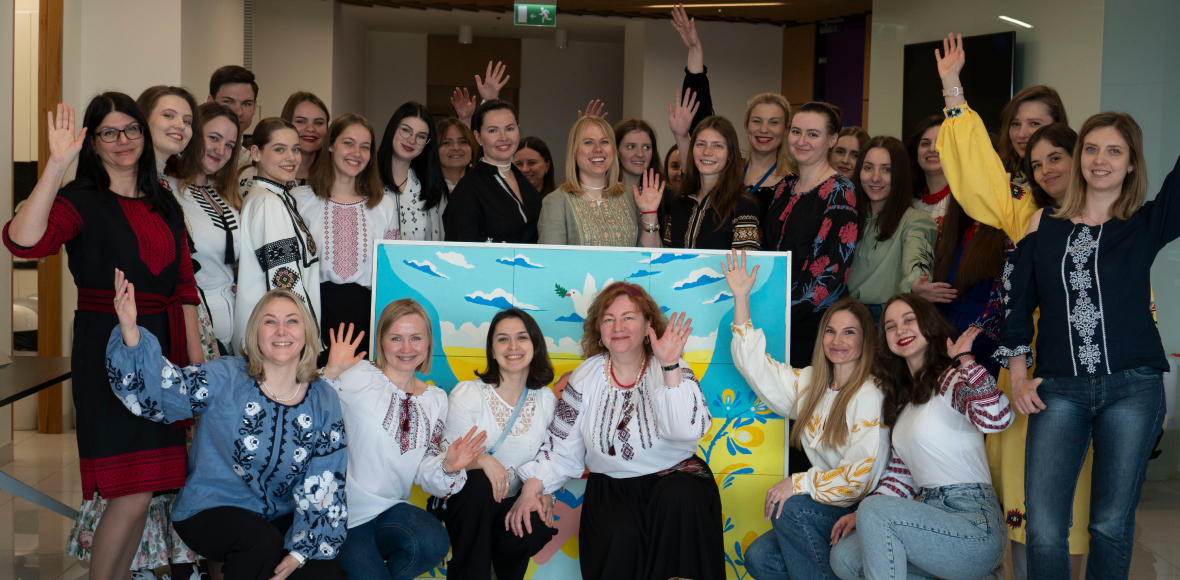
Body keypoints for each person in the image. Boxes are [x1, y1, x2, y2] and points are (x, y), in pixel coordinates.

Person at [3, 97, 199, 580]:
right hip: (108, 351)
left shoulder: (164, 202)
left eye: (131, 129)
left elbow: (184, 286)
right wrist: (56, 165)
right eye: (109, 132)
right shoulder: (81, 199)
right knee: (129, 490)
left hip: (163, 352)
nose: (123, 140)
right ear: (92, 142)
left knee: (145, 490)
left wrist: (194, 368)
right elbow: (23, 240)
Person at [932, 34, 1089, 576]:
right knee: (1017, 489)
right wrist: (953, 87)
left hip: (1092, 365)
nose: (1024, 134)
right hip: (1022, 359)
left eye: (1037, 125)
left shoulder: (1105, 207)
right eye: (1017, 125)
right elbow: (976, 171)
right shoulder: (1019, 202)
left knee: (1079, 497)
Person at [1000, 110, 1180, 579]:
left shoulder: (1145, 223)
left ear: (1131, 163)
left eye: (1114, 151)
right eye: (1093, 149)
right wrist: (1018, 376)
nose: (1101, 160)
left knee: (1110, 526)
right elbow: (1016, 305)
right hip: (1058, 389)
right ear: (1081, 157)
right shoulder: (1043, 223)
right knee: (1043, 528)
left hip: (1133, 388)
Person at [107, 284, 348, 580]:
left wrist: (299, 554)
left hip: (279, 515)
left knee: (321, 569)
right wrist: (131, 332)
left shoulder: (323, 398)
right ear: (255, 333)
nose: (281, 331)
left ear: (306, 333)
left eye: (292, 321)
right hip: (210, 507)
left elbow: (326, 480)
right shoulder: (227, 376)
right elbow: (168, 388)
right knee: (261, 544)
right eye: (270, 321)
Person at [511, 282, 723, 580]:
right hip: (613, 490)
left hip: (676, 479)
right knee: (617, 532)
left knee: (678, 499)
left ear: (648, 326)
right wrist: (530, 490)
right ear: (599, 330)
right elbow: (562, 450)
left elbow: (685, 431)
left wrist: (669, 364)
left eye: (628, 317)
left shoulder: (671, 365)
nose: (618, 327)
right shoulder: (585, 376)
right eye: (608, 319)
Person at [723, 250, 889, 580]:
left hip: (860, 510)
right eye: (831, 331)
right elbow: (757, 369)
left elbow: (858, 481)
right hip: (824, 504)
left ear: (865, 339)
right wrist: (741, 298)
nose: (837, 340)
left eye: (849, 332)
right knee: (760, 558)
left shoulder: (871, 393)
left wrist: (798, 482)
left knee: (792, 509)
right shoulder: (812, 383)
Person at [829, 293, 1013, 580]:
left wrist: (965, 360)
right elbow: (902, 478)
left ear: (928, 324)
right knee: (845, 558)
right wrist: (859, 516)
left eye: (909, 320)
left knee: (874, 510)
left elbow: (998, 418)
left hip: (974, 521)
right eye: (890, 326)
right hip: (931, 518)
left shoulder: (951, 379)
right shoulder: (904, 402)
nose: (900, 330)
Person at [322, 304, 488, 580]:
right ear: (381, 341)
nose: (406, 348)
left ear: (428, 342)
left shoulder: (435, 399)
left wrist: (447, 466)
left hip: (389, 512)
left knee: (434, 542)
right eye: (396, 338)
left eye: (416, 338)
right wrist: (330, 372)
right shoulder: (357, 373)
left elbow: (423, 468)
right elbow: (306, 414)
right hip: (342, 513)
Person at [442, 309, 560, 580]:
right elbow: (445, 460)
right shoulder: (470, 394)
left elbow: (550, 455)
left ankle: (494, 566)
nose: (513, 346)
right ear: (492, 351)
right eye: (503, 339)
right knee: (479, 483)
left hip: (515, 501)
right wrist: (482, 460)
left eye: (522, 338)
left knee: (535, 525)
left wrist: (545, 494)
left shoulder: (545, 399)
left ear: (535, 346)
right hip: (471, 504)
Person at [761, 101, 858, 368]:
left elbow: (831, 269)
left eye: (813, 134)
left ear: (832, 139)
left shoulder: (840, 191)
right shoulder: (784, 188)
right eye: (796, 132)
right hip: (772, 316)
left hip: (811, 324)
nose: (801, 141)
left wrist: (782, 312)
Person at [668, 5, 791, 210]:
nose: (764, 129)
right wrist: (695, 49)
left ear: (786, 129)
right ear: (746, 125)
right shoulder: (725, 171)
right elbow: (701, 115)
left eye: (774, 122)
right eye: (757, 121)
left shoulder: (793, 185)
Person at [297, 113, 398, 354]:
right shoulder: (300, 200)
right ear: (331, 145)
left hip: (368, 315)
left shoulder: (384, 205)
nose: (357, 153)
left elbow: (389, 272)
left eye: (365, 147)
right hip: (313, 310)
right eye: (348, 143)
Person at [235, 117, 322, 353]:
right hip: (278, 342)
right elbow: (283, 281)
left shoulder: (277, 198)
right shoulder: (268, 203)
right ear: (256, 153)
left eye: (295, 149)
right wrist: (304, 343)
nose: (291, 157)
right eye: (279, 149)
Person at [174, 102, 244, 354]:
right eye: (214, 138)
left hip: (235, 331)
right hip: (195, 332)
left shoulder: (226, 195)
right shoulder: (169, 191)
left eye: (229, 145)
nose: (221, 150)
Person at [846, 136, 938, 323]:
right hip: (844, 313)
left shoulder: (916, 220)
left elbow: (917, 255)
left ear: (900, 174)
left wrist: (915, 282)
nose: (875, 178)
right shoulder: (847, 216)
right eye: (868, 168)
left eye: (886, 169)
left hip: (886, 317)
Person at [538, 116, 662, 247]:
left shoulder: (633, 196)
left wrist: (650, 214)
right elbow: (553, 258)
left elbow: (651, 257)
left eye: (604, 142)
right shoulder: (556, 202)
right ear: (574, 151)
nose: (598, 149)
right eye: (588, 142)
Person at [444, 99, 542, 243]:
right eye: (493, 130)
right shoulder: (468, 189)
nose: (503, 137)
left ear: (518, 130)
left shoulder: (526, 184)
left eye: (509, 129)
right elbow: (459, 249)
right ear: (478, 137)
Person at [660, 115, 761, 251]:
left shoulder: (743, 206)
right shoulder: (679, 202)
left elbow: (746, 262)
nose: (707, 152)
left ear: (730, 154)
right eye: (701, 144)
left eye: (718, 146)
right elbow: (666, 256)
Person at [378, 102, 450, 241]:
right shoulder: (364, 180)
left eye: (421, 136)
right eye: (406, 130)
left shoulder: (433, 188)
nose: (412, 140)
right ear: (392, 128)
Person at [207, 65, 258, 167]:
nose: (238, 112)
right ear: (210, 103)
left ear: (254, 107)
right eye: (228, 102)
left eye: (246, 104)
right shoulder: (187, 154)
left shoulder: (252, 165)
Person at [908, 115, 952, 230]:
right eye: (925, 144)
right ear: (916, 154)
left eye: (940, 143)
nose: (932, 149)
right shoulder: (909, 204)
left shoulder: (965, 200)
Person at [283, 92, 330, 185]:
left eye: (318, 123)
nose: (310, 129)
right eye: (301, 121)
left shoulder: (334, 179)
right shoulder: (262, 175)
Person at [613, 119, 666, 191]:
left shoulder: (663, 192)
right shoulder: (601, 192)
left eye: (646, 147)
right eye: (631, 147)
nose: (640, 154)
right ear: (616, 150)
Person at [438, 117, 476, 192]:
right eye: (447, 143)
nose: (456, 148)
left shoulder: (485, 188)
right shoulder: (422, 190)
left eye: (462, 142)